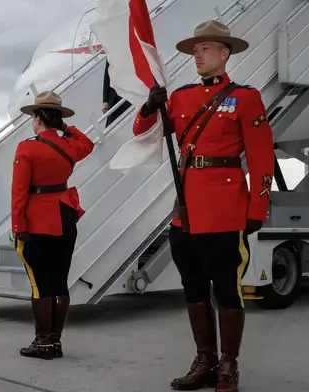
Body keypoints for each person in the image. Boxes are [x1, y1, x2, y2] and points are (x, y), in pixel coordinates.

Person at [133, 20, 274, 392]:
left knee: (226, 289)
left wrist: (257, 208)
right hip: (186, 211)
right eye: (195, 49)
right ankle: (205, 361)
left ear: (224, 53)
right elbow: (142, 134)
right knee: (192, 288)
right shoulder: (178, 97)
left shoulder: (245, 97)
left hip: (226, 208)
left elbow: (261, 158)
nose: (197, 54)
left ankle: (229, 366)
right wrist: (150, 106)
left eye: (205, 48)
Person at [11, 91, 94, 359]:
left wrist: (17, 225)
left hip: (37, 219)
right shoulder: (69, 145)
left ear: (37, 119)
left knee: (40, 285)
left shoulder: (27, 147)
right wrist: (65, 128)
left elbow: (19, 191)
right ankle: (54, 342)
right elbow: (87, 143)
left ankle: (43, 342)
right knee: (60, 282)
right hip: (64, 215)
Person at [102, 60, 132, 127]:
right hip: (115, 96)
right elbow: (107, 76)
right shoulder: (111, 51)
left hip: (131, 95)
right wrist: (105, 100)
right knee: (111, 127)